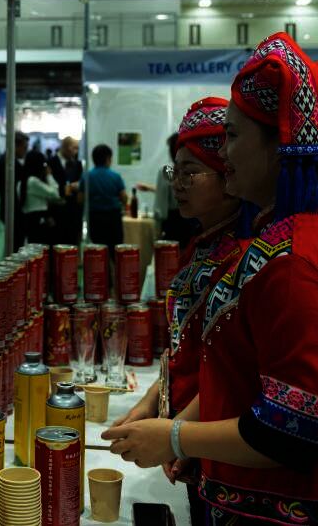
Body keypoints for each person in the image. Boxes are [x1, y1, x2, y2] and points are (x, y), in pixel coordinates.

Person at [102, 33, 318, 525]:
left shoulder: (292, 262)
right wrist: (177, 426)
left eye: (232, 136)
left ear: (279, 145)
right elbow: (243, 375)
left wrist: (174, 437)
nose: (224, 151)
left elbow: (294, 430)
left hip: (303, 502)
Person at [110, 97, 245, 525]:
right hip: (198, 444)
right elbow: (192, 349)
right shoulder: (205, 245)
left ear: (230, 174)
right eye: (175, 172)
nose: (177, 185)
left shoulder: (251, 258)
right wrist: (153, 402)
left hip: (230, 453)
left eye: (190, 173)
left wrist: (174, 434)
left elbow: (238, 372)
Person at [138, 133, 197, 245]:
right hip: (193, 220)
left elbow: (161, 206)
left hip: (174, 223)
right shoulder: (195, 169)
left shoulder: (168, 170)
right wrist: (150, 188)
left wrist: (157, 229)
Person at [84, 144, 128, 257]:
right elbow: (124, 197)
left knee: (98, 251)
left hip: (95, 218)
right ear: (108, 158)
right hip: (113, 218)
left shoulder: (87, 176)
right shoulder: (115, 176)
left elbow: (80, 198)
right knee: (115, 251)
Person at [0, 131, 29, 250]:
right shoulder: (8, 164)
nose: (25, 151)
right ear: (16, 146)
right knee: (16, 246)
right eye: (24, 148)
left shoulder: (7, 161)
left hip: (12, 210)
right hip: (13, 211)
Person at [22, 150, 64, 245]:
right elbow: (55, 193)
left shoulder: (24, 179)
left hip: (30, 218)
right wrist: (49, 175)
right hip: (37, 219)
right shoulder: (33, 181)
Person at [48, 136, 84, 244]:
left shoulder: (78, 164)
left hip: (74, 212)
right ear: (64, 147)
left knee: (72, 244)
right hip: (56, 210)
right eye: (74, 148)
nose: (76, 151)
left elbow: (81, 182)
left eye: (77, 148)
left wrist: (77, 185)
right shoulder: (51, 162)